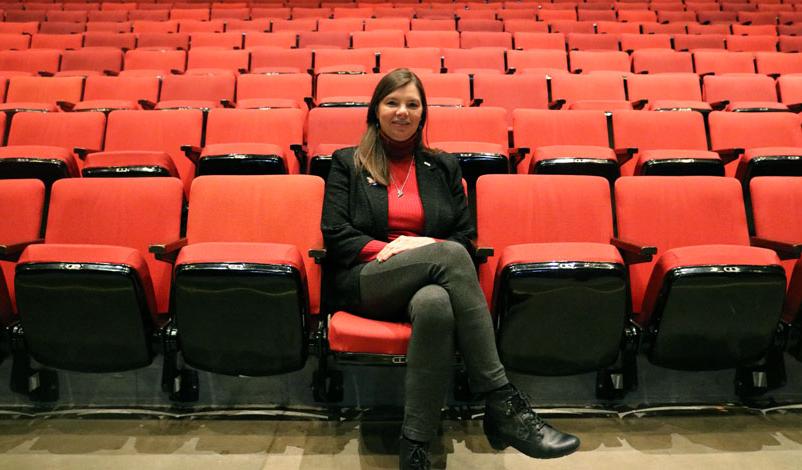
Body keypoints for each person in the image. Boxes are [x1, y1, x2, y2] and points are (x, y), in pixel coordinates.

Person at [321, 68, 580, 470]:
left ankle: (416, 445)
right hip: (367, 281)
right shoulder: (347, 163)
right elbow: (337, 235)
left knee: (436, 305)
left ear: (423, 113)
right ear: (376, 110)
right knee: (453, 257)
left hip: (431, 280)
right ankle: (501, 402)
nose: (402, 112)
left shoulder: (442, 166)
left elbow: (464, 235)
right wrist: (393, 250)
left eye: (412, 104)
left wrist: (424, 245)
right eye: (392, 102)